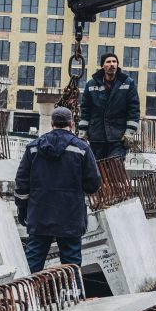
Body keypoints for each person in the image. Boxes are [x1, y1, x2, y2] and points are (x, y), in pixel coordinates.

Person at [15, 107, 102, 273]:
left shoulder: (33, 148)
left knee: (33, 262)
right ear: (71, 123)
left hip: (40, 214)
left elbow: (22, 183)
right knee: (71, 264)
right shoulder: (81, 149)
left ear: (52, 123)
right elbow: (93, 185)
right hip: (70, 216)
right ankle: (72, 295)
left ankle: (28, 296)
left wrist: (23, 209)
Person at [77, 52, 141, 160]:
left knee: (115, 168)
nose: (112, 64)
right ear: (103, 65)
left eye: (114, 62)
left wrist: (129, 132)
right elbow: (85, 109)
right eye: (108, 62)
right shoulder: (91, 84)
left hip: (118, 138)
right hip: (97, 137)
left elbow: (134, 109)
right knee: (96, 170)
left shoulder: (128, 83)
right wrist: (83, 131)